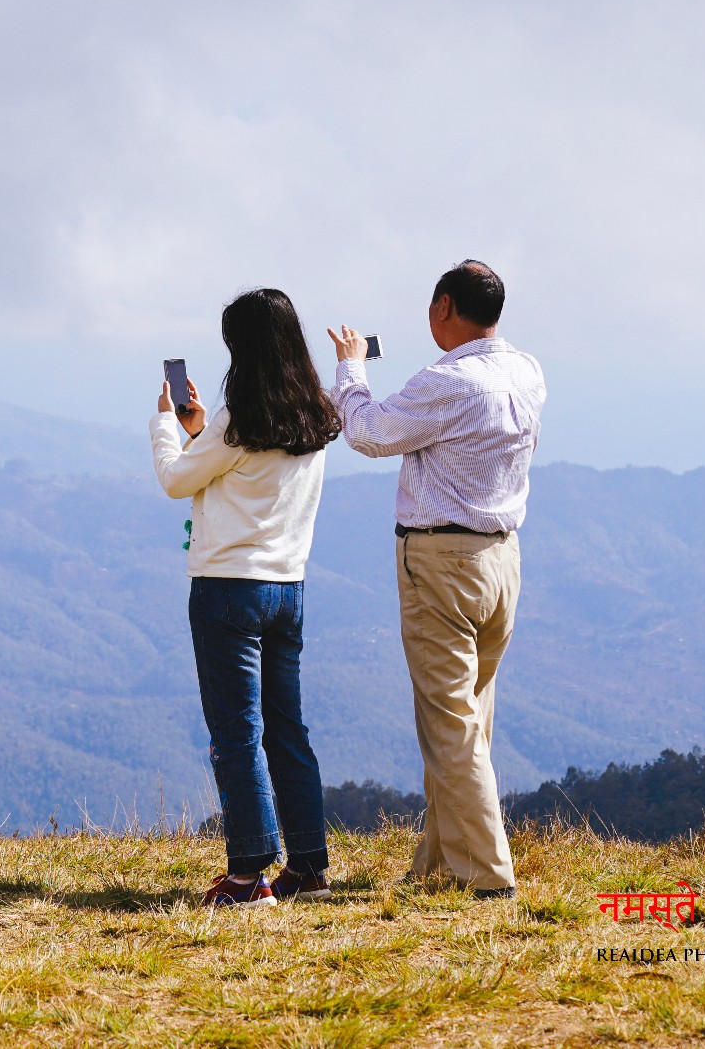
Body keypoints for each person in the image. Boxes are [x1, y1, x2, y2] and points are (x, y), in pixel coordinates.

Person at [327, 260, 544, 899]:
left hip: (442, 563)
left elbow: (367, 434)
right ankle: (441, 863)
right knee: (471, 713)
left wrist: (350, 370)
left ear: (444, 307)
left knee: (449, 722)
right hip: (502, 559)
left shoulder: (447, 381)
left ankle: (487, 877)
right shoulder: (527, 371)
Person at [152, 288, 341, 909]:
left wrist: (165, 426)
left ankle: (247, 875)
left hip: (227, 589)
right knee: (287, 729)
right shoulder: (313, 418)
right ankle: (308, 867)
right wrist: (200, 432)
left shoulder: (239, 420)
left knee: (237, 734)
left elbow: (178, 479)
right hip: (289, 588)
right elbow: (250, 474)